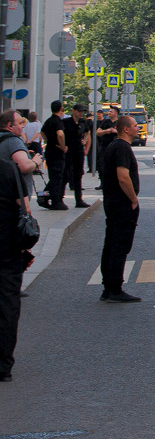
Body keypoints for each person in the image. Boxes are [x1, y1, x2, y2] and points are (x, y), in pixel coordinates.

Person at [98, 113, 141, 303]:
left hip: (112, 202)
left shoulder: (113, 146)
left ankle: (108, 287)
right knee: (120, 245)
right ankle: (115, 288)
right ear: (126, 129)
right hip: (122, 204)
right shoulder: (123, 148)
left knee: (111, 243)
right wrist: (133, 199)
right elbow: (123, 176)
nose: (138, 127)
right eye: (134, 125)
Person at [1, 152, 29, 382]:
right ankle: (4, 365)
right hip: (7, 248)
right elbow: (25, 208)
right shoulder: (9, 170)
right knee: (8, 305)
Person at [0, 111, 41, 215]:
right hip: (13, 201)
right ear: (10, 125)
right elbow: (24, 166)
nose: (23, 126)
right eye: (20, 123)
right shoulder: (13, 141)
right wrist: (35, 162)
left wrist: (24, 153)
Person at [39, 102, 68, 210]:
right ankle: (54, 201)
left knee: (53, 176)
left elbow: (42, 133)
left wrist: (48, 141)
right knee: (57, 177)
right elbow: (60, 134)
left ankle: (44, 196)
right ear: (61, 109)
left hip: (49, 150)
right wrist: (63, 146)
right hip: (57, 152)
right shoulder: (57, 121)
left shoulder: (48, 121)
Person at [64, 105, 89, 209]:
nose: (81, 113)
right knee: (66, 174)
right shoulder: (66, 122)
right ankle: (59, 198)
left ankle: (79, 200)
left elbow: (88, 132)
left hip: (78, 151)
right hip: (68, 151)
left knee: (78, 174)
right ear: (73, 111)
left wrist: (85, 141)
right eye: (79, 111)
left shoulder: (83, 122)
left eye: (82, 111)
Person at [92, 109, 117, 187]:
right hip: (104, 146)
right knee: (102, 164)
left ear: (116, 113)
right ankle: (103, 183)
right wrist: (106, 131)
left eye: (111, 111)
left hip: (115, 146)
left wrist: (115, 131)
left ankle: (113, 183)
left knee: (114, 165)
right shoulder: (106, 122)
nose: (109, 113)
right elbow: (98, 132)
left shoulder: (120, 122)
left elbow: (125, 132)